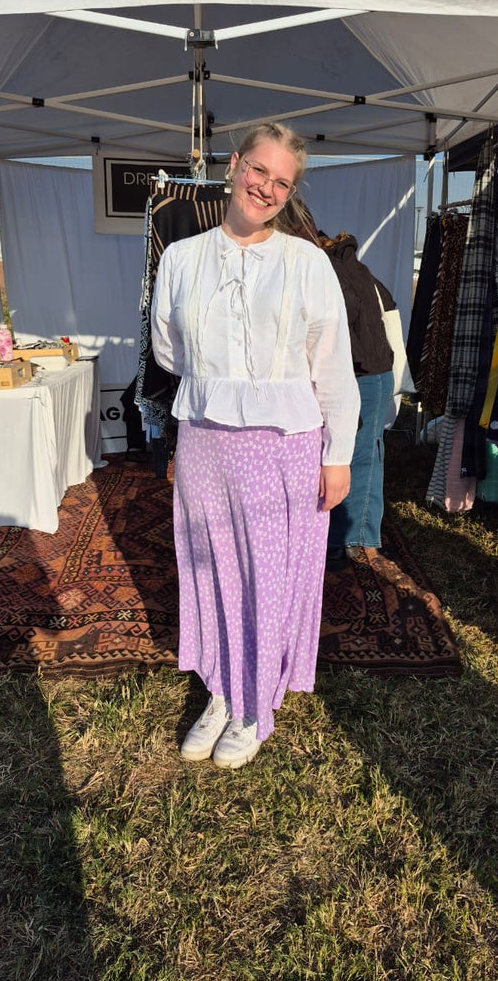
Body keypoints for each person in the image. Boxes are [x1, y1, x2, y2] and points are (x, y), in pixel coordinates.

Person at [150, 122, 360, 769]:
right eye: (258, 170)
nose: (266, 187)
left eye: (282, 182)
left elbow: (333, 364)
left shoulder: (308, 262)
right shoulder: (181, 258)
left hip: (283, 444)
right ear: (234, 165)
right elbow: (168, 350)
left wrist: (338, 454)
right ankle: (220, 687)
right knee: (209, 568)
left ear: (290, 192)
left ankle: (253, 706)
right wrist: (221, 378)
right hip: (206, 440)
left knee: (267, 577)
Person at [315, 230, 397, 567]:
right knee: (356, 453)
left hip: (363, 373)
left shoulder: (332, 269)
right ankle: (346, 536)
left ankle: (354, 538)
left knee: (359, 455)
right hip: (367, 371)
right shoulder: (351, 267)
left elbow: (338, 323)